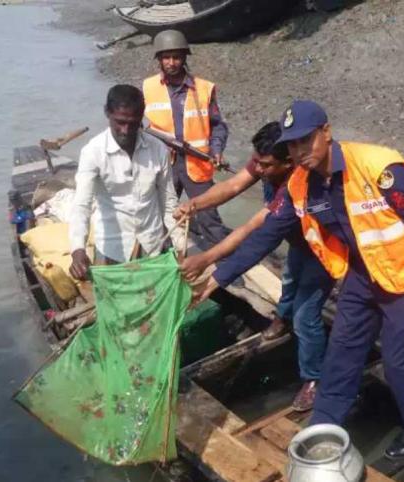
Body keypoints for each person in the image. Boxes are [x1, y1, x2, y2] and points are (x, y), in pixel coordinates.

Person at [192, 100, 404, 460]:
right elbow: (265, 236)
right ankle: (323, 427)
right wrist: (219, 275)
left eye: (306, 140)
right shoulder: (300, 186)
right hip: (360, 277)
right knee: (341, 354)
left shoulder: (379, 168)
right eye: (292, 145)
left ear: (326, 132)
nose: (300, 151)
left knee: (401, 363)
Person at [177, 122, 334, 411]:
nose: (258, 169)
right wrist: (195, 204)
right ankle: (281, 319)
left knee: (306, 316)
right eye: (257, 162)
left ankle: (314, 379)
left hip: (323, 249)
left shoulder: (296, 187)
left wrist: (210, 269)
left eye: (266, 165)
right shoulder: (267, 162)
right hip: (299, 242)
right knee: (289, 282)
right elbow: (233, 185)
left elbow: (256, 236)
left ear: (289, 162)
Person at [68, 84, 185, 280]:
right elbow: (82, 205)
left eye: (132, 123)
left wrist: (180, 244)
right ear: (107, 113)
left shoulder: (158, 149)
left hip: (152, 245)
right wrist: (78, 249)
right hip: (112, 248)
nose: (125, 130)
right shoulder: (93, 152)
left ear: (142, 117)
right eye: (119, 122)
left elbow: (168, 202)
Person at [142, 29, 231, 251]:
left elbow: (218, 125)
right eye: (166, 57)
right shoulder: (148, 87)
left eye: (176, 57)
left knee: (208, 215)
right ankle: (158, 257)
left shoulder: (204, 88)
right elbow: (139, 126)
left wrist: (217, 150)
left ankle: (224, 260)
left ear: (184, 58)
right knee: (156, 214)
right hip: (163, 163)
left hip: (197, 163)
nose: (171, 62)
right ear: (159, 59)